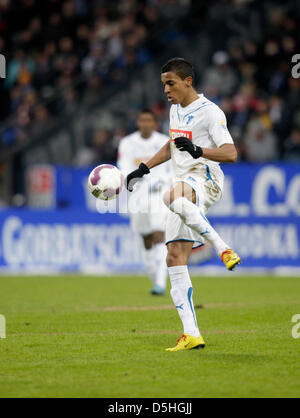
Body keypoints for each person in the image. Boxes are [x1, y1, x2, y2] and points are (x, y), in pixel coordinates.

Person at [126, 58, 241, 351]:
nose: (165, 89)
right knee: (174, 257)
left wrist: (199, 150)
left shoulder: (210, 113)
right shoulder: (175, 109)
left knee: (170, 196)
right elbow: (172, 145)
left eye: (170, 83)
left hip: (205, 182)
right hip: (183, 184)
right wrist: (145, 167)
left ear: (188, 81)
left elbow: (231, 153)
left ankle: (222, 247)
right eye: (163, 83)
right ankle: (191, 334)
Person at [118, 109, 172, 295]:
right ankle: (153, 273)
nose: (146, 123)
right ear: (138, 123)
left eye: (149, 120)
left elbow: (171, 168)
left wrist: (164, 182)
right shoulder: (127, 143)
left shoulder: (163, 141)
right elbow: (123, 167)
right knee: (146, 238)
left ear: (155, 123)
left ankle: (160, 283)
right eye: (142, 120)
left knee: (159, 234)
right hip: (138, 194)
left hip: (159, 192)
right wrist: (133, 179)